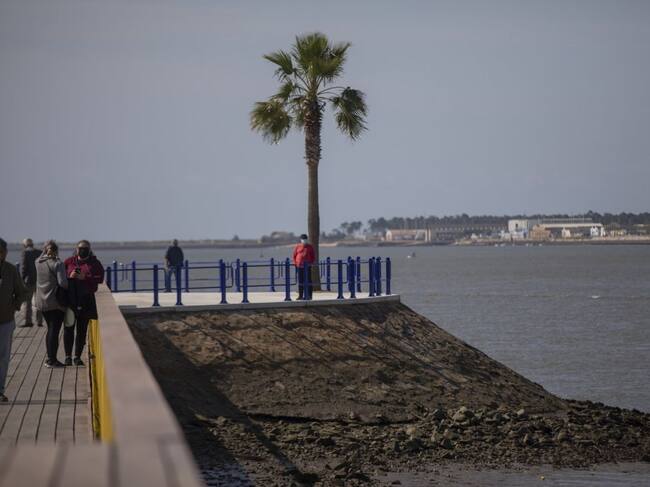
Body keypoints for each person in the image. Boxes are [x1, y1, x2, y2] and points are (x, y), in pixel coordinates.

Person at [64, 240, 104, 366]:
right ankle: (67, 357)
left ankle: (77, 357)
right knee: (68, 328)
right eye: (80, 248)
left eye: (85, 248)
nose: (82, 250)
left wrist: (85, 278)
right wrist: (70, 276)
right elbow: (60, 278)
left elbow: (100, 278)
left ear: (89, 249)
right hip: (70, 300)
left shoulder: (95, 263)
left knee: (82, 330)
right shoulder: (69, 262)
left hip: (86, 300)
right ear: (76, 249)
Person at [0, 238, 27, 401]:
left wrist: (14, 306)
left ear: (5, 253)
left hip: (6, 321)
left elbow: (22, 292)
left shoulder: (10, 270)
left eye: (1, 252)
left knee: (3, 358)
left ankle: (0, 390)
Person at [35, 241, 68, 368]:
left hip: (42, 302)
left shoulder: (38, 262)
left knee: (50, 330)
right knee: (54, 331)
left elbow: (41, 256)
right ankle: (52, 360)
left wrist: (45, 251)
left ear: (44, 250)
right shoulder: (58, 264)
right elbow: (63, 283)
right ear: (56, 251)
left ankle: (49, 358)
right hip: (55, 303)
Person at [18, 238, 43, 328]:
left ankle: (28, 321)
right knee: (39, 302)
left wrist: (21, 280)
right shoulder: (39, 252)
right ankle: (39, 321)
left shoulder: (25, 253)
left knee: (27, 302)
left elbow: (23, 268)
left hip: (28, 281)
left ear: (24, 245)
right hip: (39, 280)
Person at [292, 234, 315, 300]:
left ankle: (309, 296)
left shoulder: (310, 247)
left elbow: (313, 256)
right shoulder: (297, 246)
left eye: (305, 239)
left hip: (307, 266)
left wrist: (311, 263)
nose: (304, 240)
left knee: (309, 281)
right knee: (300, 281)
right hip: (299, 266)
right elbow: (294, 256)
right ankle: (300, 296)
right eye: (303, 239)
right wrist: (295, 263)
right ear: (300, 240)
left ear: (307, 239)